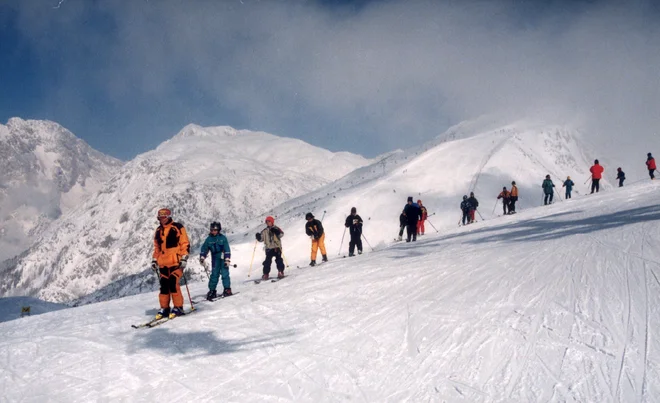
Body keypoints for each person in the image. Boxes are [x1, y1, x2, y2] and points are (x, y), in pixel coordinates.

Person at [151, 208, 190, 320]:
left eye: (163, 217)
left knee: (173, 284)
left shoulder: (177, 227)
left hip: (176, 262)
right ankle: (165, 308)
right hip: (163, 263)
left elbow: (185, 243)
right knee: (164, 287)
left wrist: (184, 258)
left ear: (168, 217)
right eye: (159, 218)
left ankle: (178, 307)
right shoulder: (158, 230)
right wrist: (154, 260)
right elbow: (157, 248)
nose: (161, 220)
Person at [199, 221, 231, 300]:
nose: (213, 232)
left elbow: (227, 248)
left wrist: (227, 259)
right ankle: (212, 291)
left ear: (218, 230)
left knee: (225, 273)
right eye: (212, 230)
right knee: (214, 274)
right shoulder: (209, 239)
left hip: (223, 258)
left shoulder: (223, 238)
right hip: (215, 258)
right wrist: (202, 257)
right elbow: (204, 249)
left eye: (215, 230)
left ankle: (227, 289)